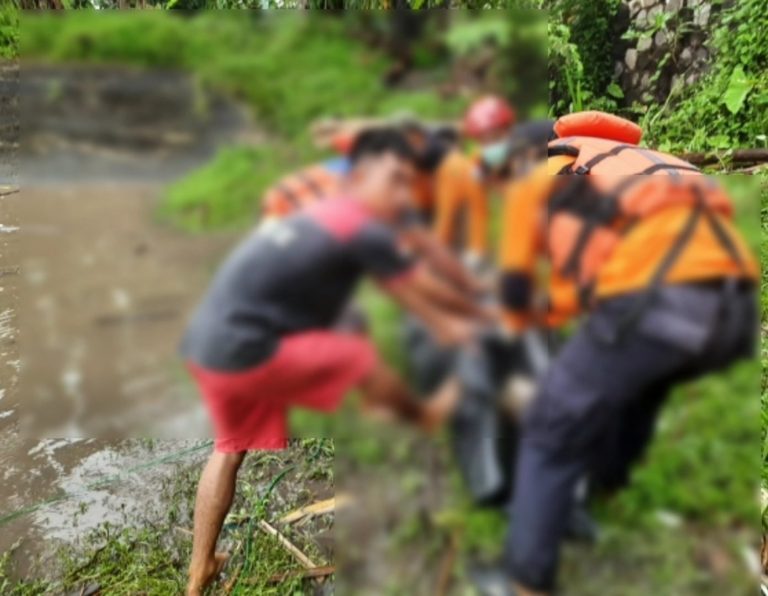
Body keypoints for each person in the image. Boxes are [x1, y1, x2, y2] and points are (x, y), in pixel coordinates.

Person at [180, 128, 490, 595]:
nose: (404, 190)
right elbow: (429, 304)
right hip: (252, 348)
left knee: (228, 450)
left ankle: (199, 570)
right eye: (397, 179)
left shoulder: (323, 207)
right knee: (362, 360)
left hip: (210, 342)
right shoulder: (363, 224)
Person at [498, 111, 757, 596]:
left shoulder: (536, 179)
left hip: (661, 295)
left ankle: (525, 582)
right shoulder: (624, 158)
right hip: (734, 303)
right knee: (638, 380)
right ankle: (607, 484)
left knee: (548, 431)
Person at [433, 95, 516, 268]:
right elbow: (477, 202)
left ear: (506, 130)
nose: (489, 144)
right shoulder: (478, 159)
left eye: (494, 137)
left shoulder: (524, 152)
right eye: (484, 140)